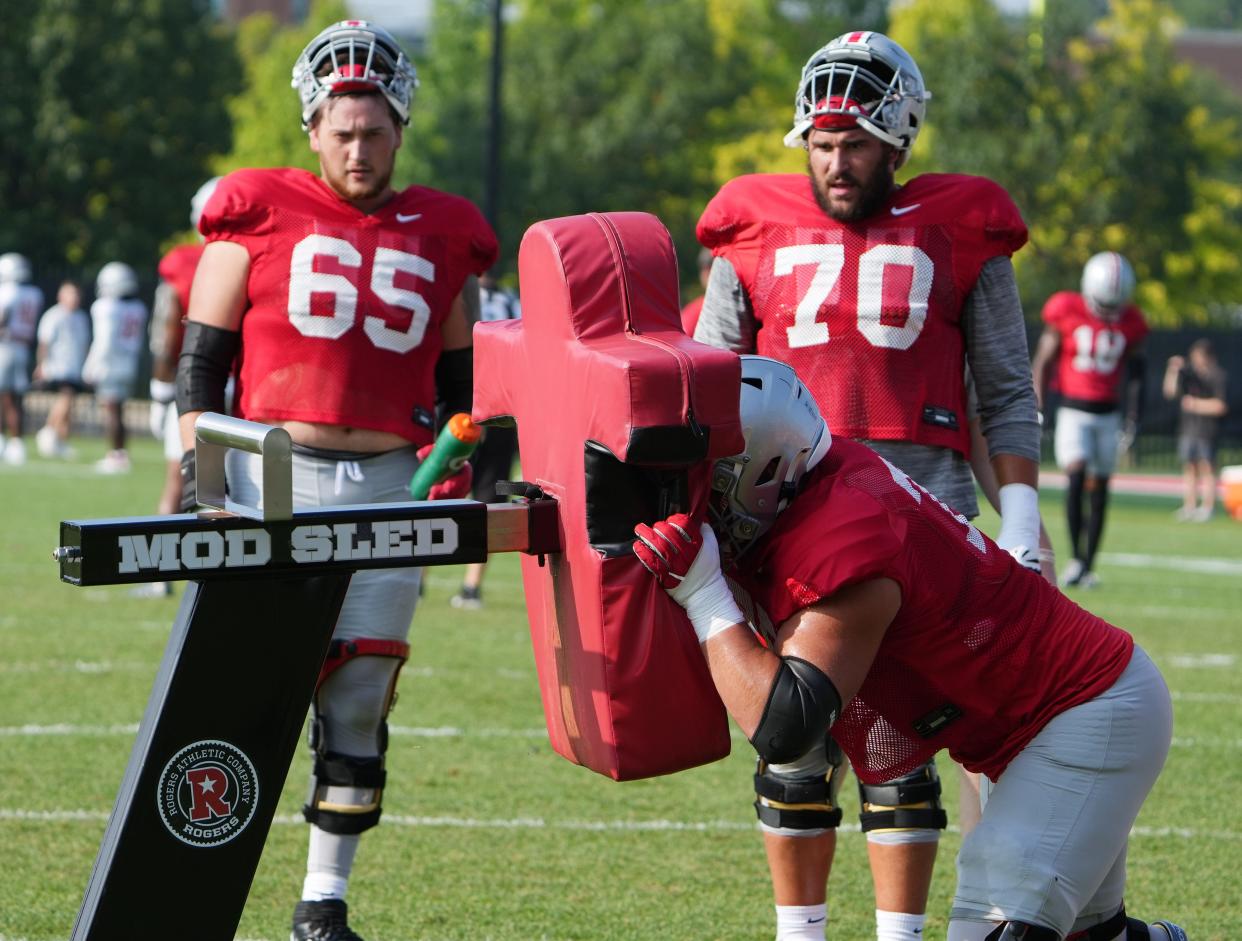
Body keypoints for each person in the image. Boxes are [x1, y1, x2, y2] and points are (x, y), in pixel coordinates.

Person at [633, 355, 1187, 941]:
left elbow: (785, 728)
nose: (701, 502)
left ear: (768, 469)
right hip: (1039, 726)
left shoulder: (843, 533)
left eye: (713, 482)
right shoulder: (821, 484)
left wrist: (704, 594)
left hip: (1083, 715)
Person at [692, 31, 1046, 941]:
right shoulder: (747, 220)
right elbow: (708, 379)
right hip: (786, 515)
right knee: (797, 746)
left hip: (923, 514)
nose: (835, 161)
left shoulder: (963, 223)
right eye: (820, 142)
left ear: (900, 141)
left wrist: (1028, 518)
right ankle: (799, 931)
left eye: (854, 142)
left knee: (902, 750)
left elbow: (1003, 387)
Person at [174, 20, 497, 941]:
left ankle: (323, 902)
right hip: (270, 471)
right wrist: (208, 478)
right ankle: (195, 881)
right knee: (240, 692)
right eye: (342, 130)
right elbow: (203, 367)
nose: (359, 148)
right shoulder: (253, 209)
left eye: (376, 130)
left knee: (359, 697)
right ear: (312, 128)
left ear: (401, 129)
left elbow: (459, 387)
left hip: (392, 477)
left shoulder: (447, 231)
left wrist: (459, 467)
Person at [1032, 252, 1148, 589]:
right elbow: (1043, 360)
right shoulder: (1066, 309)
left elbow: (1138, 372)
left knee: (1099, 489)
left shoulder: (1133, 320)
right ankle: (1074, 557)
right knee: (1076, 474)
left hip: (1108, 412)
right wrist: (1040, 406)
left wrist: (1134, 415)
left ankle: (1086, 564)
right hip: (1073, 409)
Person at [150, 178, 222, 514]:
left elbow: (167, 332)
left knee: (178, 489)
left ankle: (158, 567)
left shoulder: (182, 262)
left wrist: (160, 390)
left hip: (194, 390)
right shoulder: (264, 258)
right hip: (248, 393)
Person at [450, 272, 520, 610]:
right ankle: (469, 586)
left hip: (471, 408)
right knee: (484, 499)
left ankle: (457, 584)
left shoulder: (463, 295)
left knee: (454, 491)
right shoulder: (510, 301)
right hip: (496, 411)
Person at [83, 261, 148, 474]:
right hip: (128, 362)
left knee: (111, 410)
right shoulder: (138, 307)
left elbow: (104, 340)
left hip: (110, 363)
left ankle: (115, 455)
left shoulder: (105, 307)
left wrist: (91, 365)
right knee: (119, 410)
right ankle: (121, 454)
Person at [1163, 339, 1227, 521]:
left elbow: (1220, 405)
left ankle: (1208, 507)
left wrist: (1196, 404)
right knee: (1189, 468)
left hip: (1208, 430)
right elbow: (1170, 392)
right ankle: (1189, 506)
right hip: (1188, 429)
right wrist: (1173, 370)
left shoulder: (1218, 376)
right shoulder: (1189, 375)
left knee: (1207, 468)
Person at [34, 280, 91, 459]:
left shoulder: (81, 317)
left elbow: (85, 344)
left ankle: (60, 441)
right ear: (61, 295)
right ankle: (48, 430)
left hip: (75, 367)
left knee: (69, 404)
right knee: (66, 398)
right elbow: (44, 343)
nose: (74, 298)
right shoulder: (53, 316)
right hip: (58, 366)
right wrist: (41, 364)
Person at [0, 252, 45, 465]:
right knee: (16, 397)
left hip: (6, 346)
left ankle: (12, 442)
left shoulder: (8, 292)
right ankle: (15, 442)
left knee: (6, 396)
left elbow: (2, 319)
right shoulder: (34, 293)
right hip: (23, 346)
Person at [680, 247, 713, 336]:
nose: (707, 273)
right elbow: (681, 338)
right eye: (704, 267)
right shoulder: (696, 309)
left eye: (711, 265)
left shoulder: (697, 308)